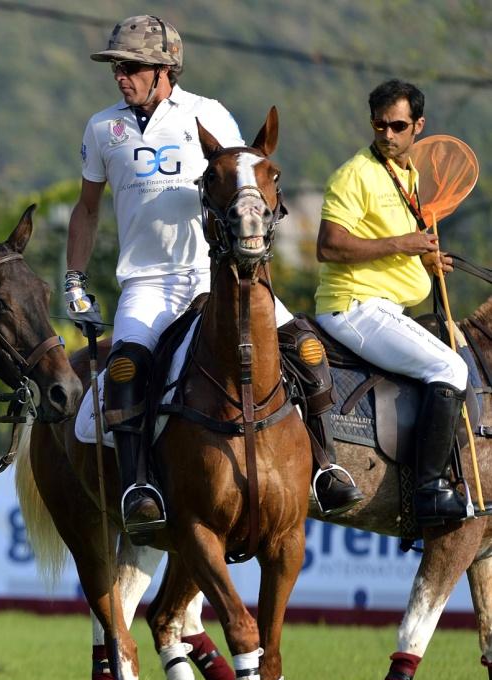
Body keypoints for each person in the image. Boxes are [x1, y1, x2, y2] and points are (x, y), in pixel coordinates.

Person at [63, 14, 361, 541]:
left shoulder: (207, 114)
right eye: (117, 67)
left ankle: (325, 467)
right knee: (127, 370)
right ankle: (140, 489)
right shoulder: (101, 128)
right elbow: (87, 210)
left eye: (131, 66)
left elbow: (248, 176)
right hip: (147, 284)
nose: (120, 76)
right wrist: (74, 279)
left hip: (213, 276)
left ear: (165, 69)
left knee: (308, 350)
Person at [314, 80, 466, 525]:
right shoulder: (354, 174)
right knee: (451, 369)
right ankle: (428, 491)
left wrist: (427, 259)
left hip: (385, 306)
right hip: (354, 305)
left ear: (418, 126)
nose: (387, 134)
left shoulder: (410, 176)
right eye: (379, 124)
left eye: (398, 125)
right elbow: (330, 246)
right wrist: (404, 242)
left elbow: (399, 247)